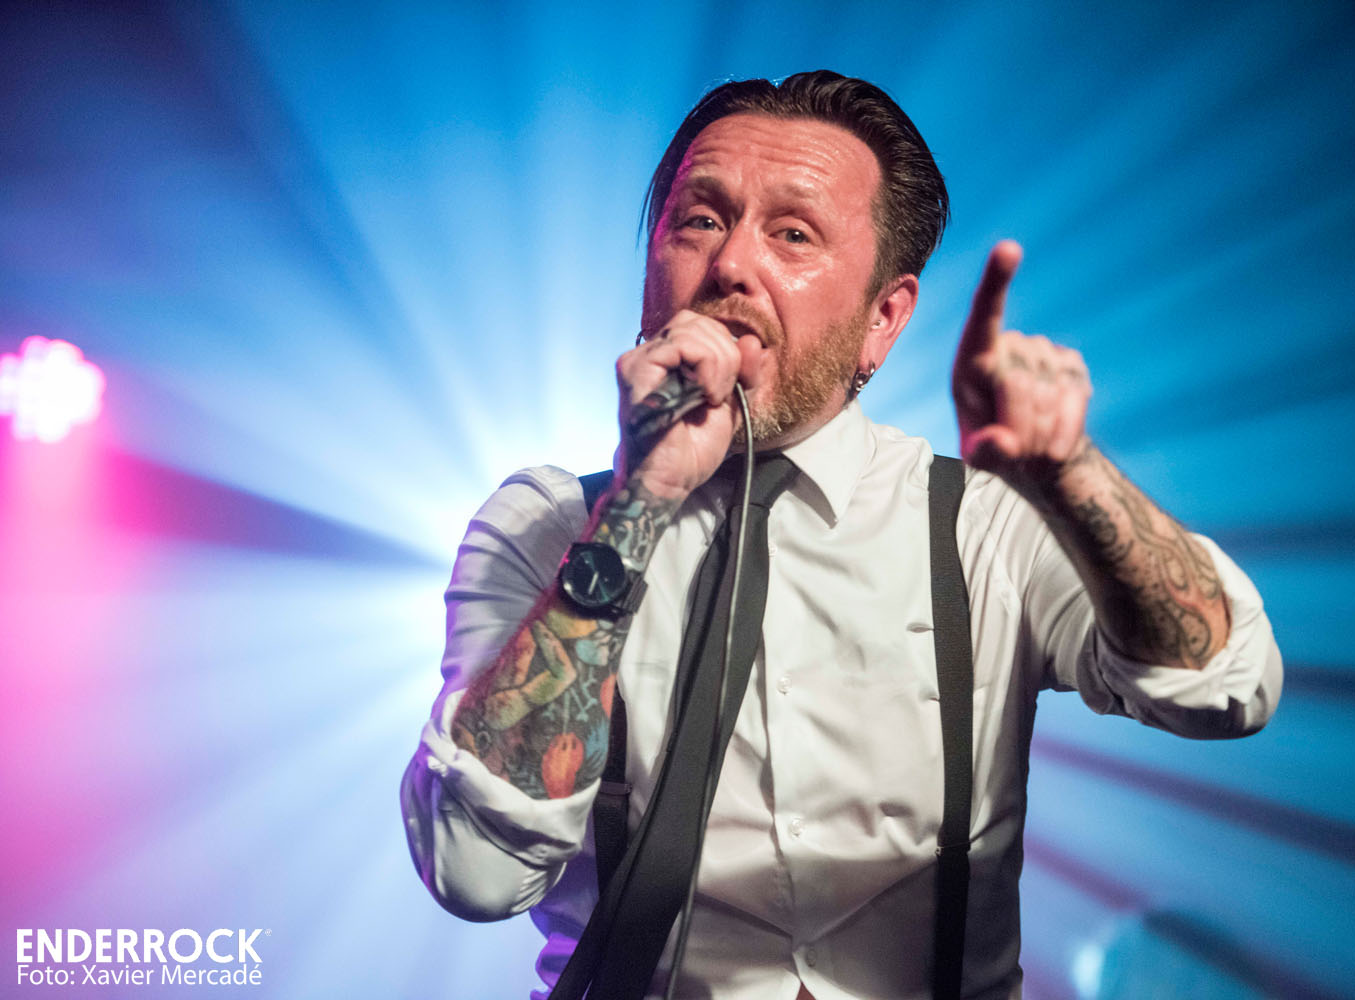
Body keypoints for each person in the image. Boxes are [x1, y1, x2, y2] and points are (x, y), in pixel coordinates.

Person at [400, 70, 1282, 999]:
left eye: (793, 234)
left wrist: (1073, 472)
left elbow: (1226, 687)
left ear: (882, 320)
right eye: (700, 220)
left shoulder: (983, 522)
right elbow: (474, 872)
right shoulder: (546, 525)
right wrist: (639, 501)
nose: (732, 264)